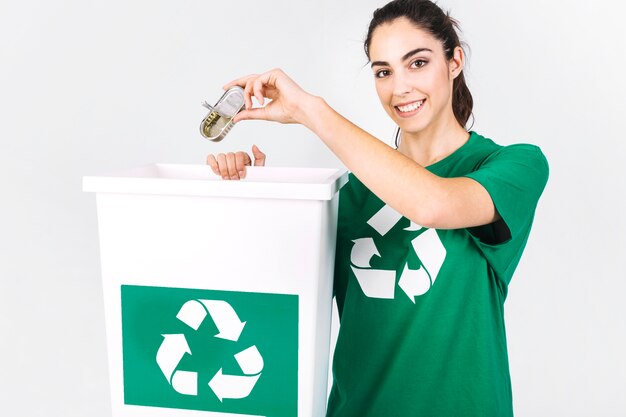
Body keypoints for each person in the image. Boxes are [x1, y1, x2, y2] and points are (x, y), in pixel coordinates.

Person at [206, 0, 549, 415]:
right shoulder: (346, 197)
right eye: (383, 71)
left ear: (454, 61)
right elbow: (270, 298)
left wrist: (311, 111)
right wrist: (250, 195)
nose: (399, 87)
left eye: (417, 63)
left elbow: (433, 204)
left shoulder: (513, 167)